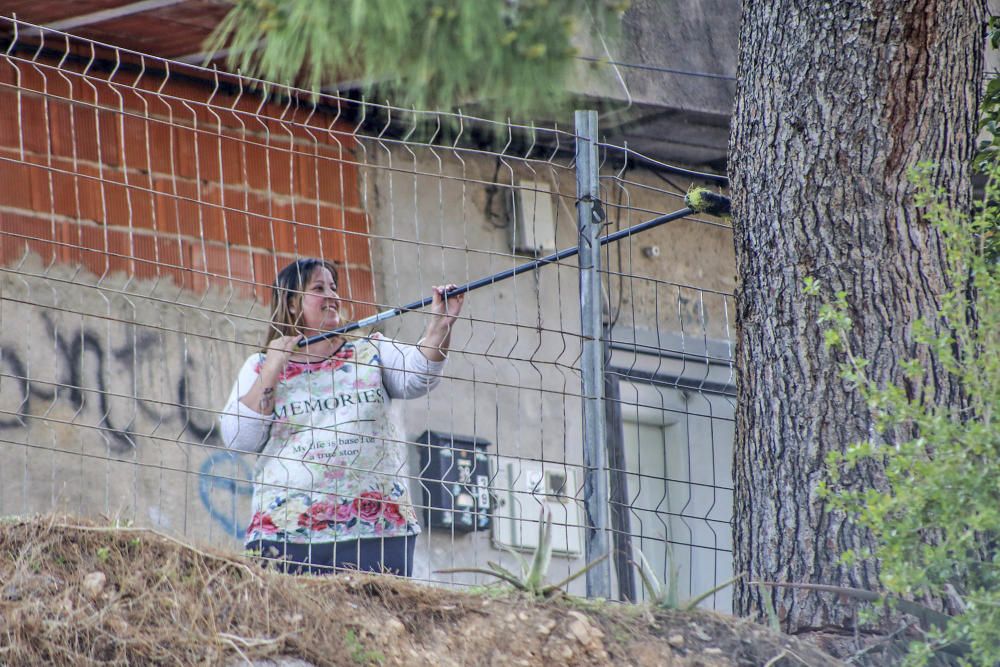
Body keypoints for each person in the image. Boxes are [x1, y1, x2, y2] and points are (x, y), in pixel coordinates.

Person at [219, 258, 464, 576]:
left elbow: (419, 376)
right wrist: (273, 367)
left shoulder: (370, 351)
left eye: (334, 287)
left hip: (376, 532)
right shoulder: (260, 365)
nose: (333, 296)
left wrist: (439, 326)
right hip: (286, 535)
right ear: (292, 304)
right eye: (319, 288)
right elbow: (239, 438)